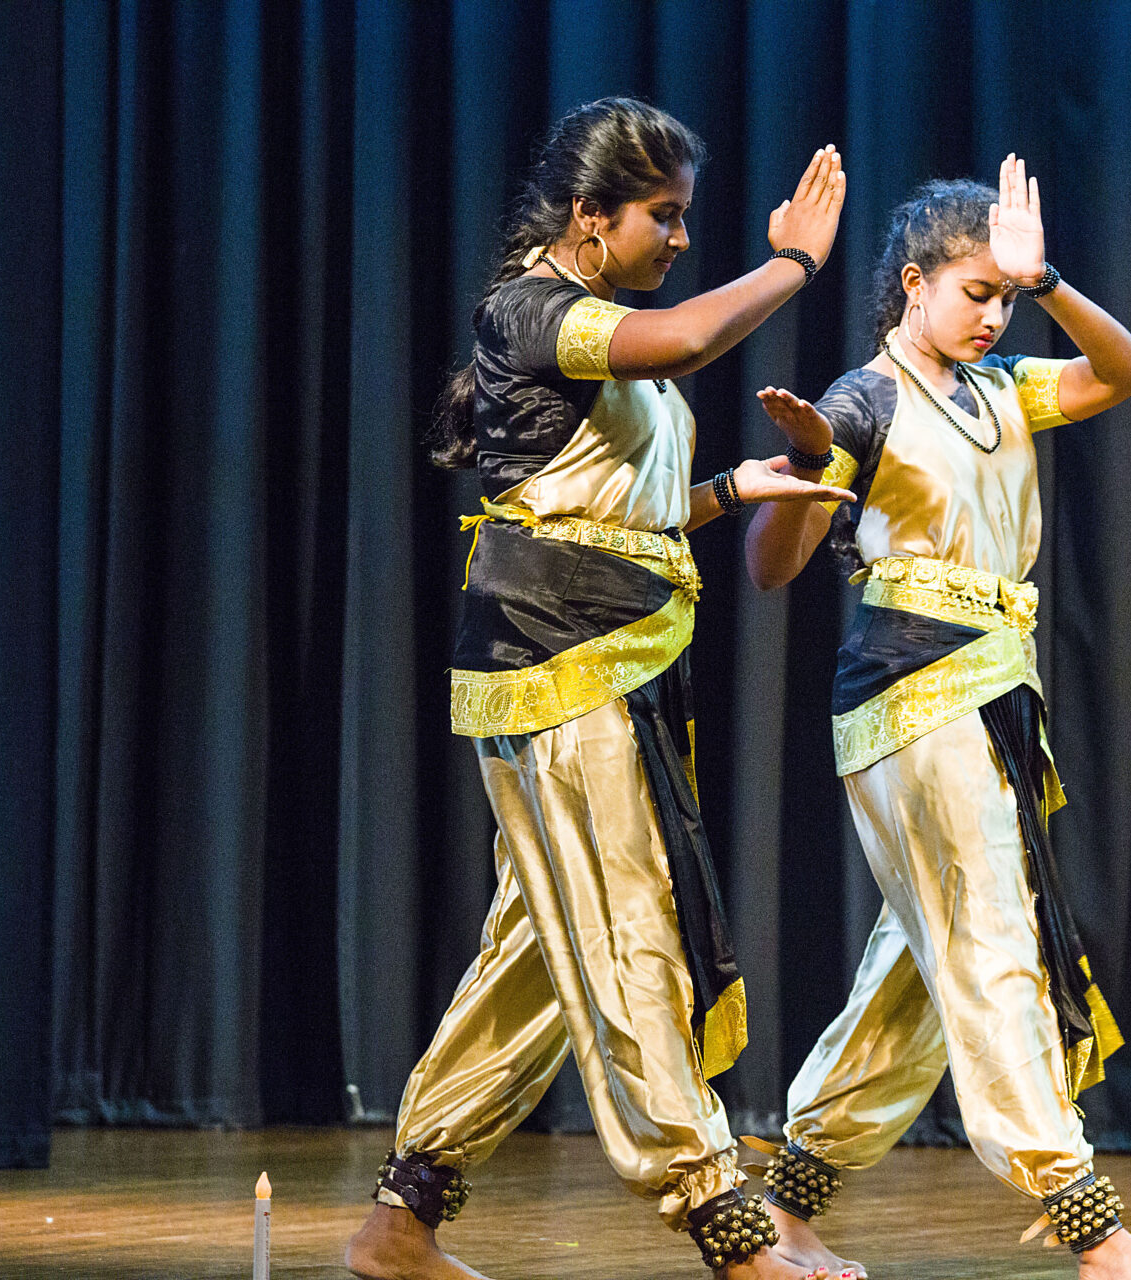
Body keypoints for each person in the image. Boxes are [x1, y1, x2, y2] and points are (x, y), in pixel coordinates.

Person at [343, 97, 852, 1280]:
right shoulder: (530, 310)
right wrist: (793, 263)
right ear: (588, 215)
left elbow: (617, 505)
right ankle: (723, 1224)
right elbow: (685, 340)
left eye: (684, 216)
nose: (681, 237)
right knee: (631, 935)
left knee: (535, 955)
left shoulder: (589, 324)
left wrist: (736, 487)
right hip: (557, 661)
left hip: (608, 657)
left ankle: (401, 1219)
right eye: (662, 216)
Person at [739, 157, 1131, 1280]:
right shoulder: (864, 400)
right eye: (977, 292)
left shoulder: (999, 391)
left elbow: (1126, 370)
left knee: (915, 971)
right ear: (914, 284)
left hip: (994, 694)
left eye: (1005, 298)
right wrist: (807, 464)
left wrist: (1049, 284)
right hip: (912, 696)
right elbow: (769, 567)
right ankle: (1088, 1225)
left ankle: (788, 1207)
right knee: (994, 943)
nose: (994, 316)